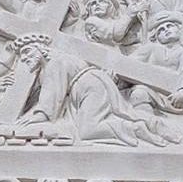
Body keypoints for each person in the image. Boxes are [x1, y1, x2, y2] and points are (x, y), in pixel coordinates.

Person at [13, 34, 169, 147]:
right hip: (93, 85)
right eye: (21, 56)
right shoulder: (50, 67)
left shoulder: (54, 63)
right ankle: (153, 123)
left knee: (88, 131)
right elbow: (46, 93)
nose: (24, 58)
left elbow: (53, 98)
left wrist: (40, 115)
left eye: (27, 51)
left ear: (41, 49)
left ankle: (134, 129)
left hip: (89, 88)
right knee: (124, 112)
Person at [130, 11, 183, 140]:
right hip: (154, 91)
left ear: (178, 30)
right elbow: (130, 62)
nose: (166, 30)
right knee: (139, 93)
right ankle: (149, 123)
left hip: (177, 96)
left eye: (169, 26)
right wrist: (114, 70)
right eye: (161, 30)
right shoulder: (150, 48)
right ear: (156, 37)